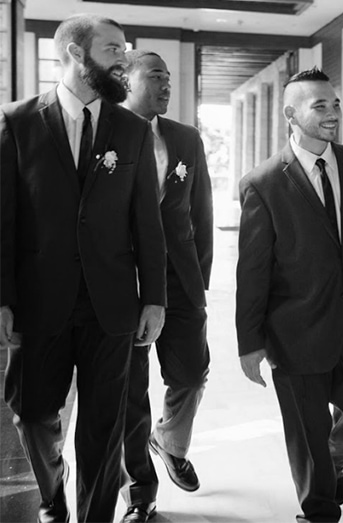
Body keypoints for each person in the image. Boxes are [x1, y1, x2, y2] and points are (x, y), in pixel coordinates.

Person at [0, 14, 167, 523]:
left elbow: (147, 222)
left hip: (111, 305)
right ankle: (53, 495)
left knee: (102, 428)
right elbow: (4, 220)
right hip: (38, 301)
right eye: (114, 49)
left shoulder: (132, 130)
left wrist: (154, 297)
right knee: (32, 417)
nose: (125, 58)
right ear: (77, 54)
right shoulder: (17, 121)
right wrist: (3, 298)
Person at [236, 67, 343, 522]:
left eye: (335, 104)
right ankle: (320, 509)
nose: (332, 113)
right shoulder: (263, 183)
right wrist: (249, 341)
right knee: (306, 432)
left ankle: (335, 456)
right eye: (319, 105)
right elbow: (252, 271)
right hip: (295, 329)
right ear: (291, 113)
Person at [118, 49, 214, 523]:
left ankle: (171, 439)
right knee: (128, 390)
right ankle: (140, 491)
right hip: (123, 282)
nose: (165, 84)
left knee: (192, 372)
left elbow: (201, 215)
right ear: (127, 80)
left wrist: (201, 284)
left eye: (169, 77)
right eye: (154, 75)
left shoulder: (185, 138)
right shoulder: (106, 134)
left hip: (179, 279)